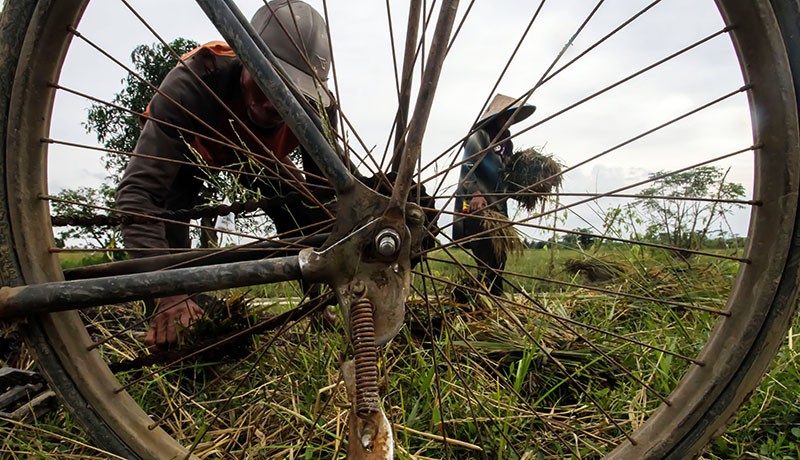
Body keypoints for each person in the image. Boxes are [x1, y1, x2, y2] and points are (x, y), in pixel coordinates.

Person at [115, 0, 335, 347]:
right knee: (171, 239)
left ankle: (320, 307)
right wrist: (166, 292)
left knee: (304, 212)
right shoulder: (195, 83)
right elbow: (138, 197)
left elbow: (331, 198)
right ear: (244, 61)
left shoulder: (316, 111)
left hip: (260, 156)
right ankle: (173, 320)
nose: (270, 106)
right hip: (195, 150)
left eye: (289, 95)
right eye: (264, 83)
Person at [452, 94, 535, 296]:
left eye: (514, 116)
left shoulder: (507, 142)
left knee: (499, 257)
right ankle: (485, 300)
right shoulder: (479, 136)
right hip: (476, 206)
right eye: (509, 115)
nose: (511, 120)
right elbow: (468, 167)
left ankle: (491, 299)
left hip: (497, 208)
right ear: (498, 115)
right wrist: (475, 194)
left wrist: (524, 189)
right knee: (487, 256)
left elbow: (504, 175)